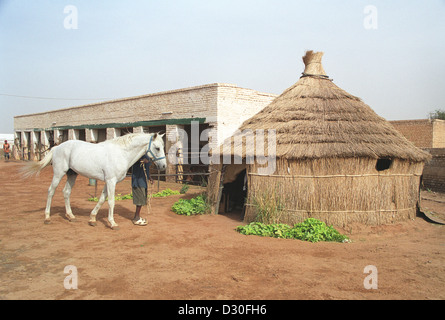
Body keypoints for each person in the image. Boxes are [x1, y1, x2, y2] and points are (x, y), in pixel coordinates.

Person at [131, 154, 153, 226]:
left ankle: (137, 216)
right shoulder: (137, 155)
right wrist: (141, 161)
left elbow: (147, 169)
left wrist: (150, 177)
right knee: (139, 200)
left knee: (143, 199)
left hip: (144, 181)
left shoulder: (146, 156)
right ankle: (136, 218)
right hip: (138, 181)